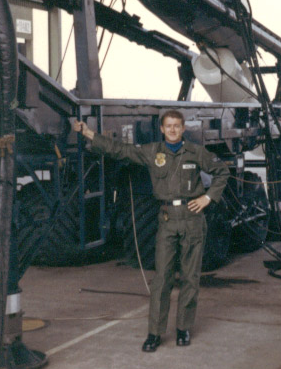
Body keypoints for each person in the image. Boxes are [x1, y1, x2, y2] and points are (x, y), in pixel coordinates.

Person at [73, 110, 229, 352]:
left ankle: (183, 329)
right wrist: (89, 133)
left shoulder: (196, 152)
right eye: (169, 126)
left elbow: (222, 171)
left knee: (190, 277)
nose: (173, 130)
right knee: (162, 279)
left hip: (192, 220)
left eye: (177, 126)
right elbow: (120, 150)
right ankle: (154, 333)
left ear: (183, 128)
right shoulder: (152, 152)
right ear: (162, 129)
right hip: (167, 220)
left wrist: (208, 198)